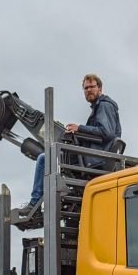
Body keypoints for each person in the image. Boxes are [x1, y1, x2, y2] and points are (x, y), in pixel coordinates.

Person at [19, 73, 121, 217]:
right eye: (85, 88)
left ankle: (33, 204)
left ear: (100, 88)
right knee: (54, 156)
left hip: (94, 159)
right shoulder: (100, 107)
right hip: (94, 157)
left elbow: (107, 132)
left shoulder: (104, 106)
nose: (89, 90)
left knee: (44, 158)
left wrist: (79, 128)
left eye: (92, 87)